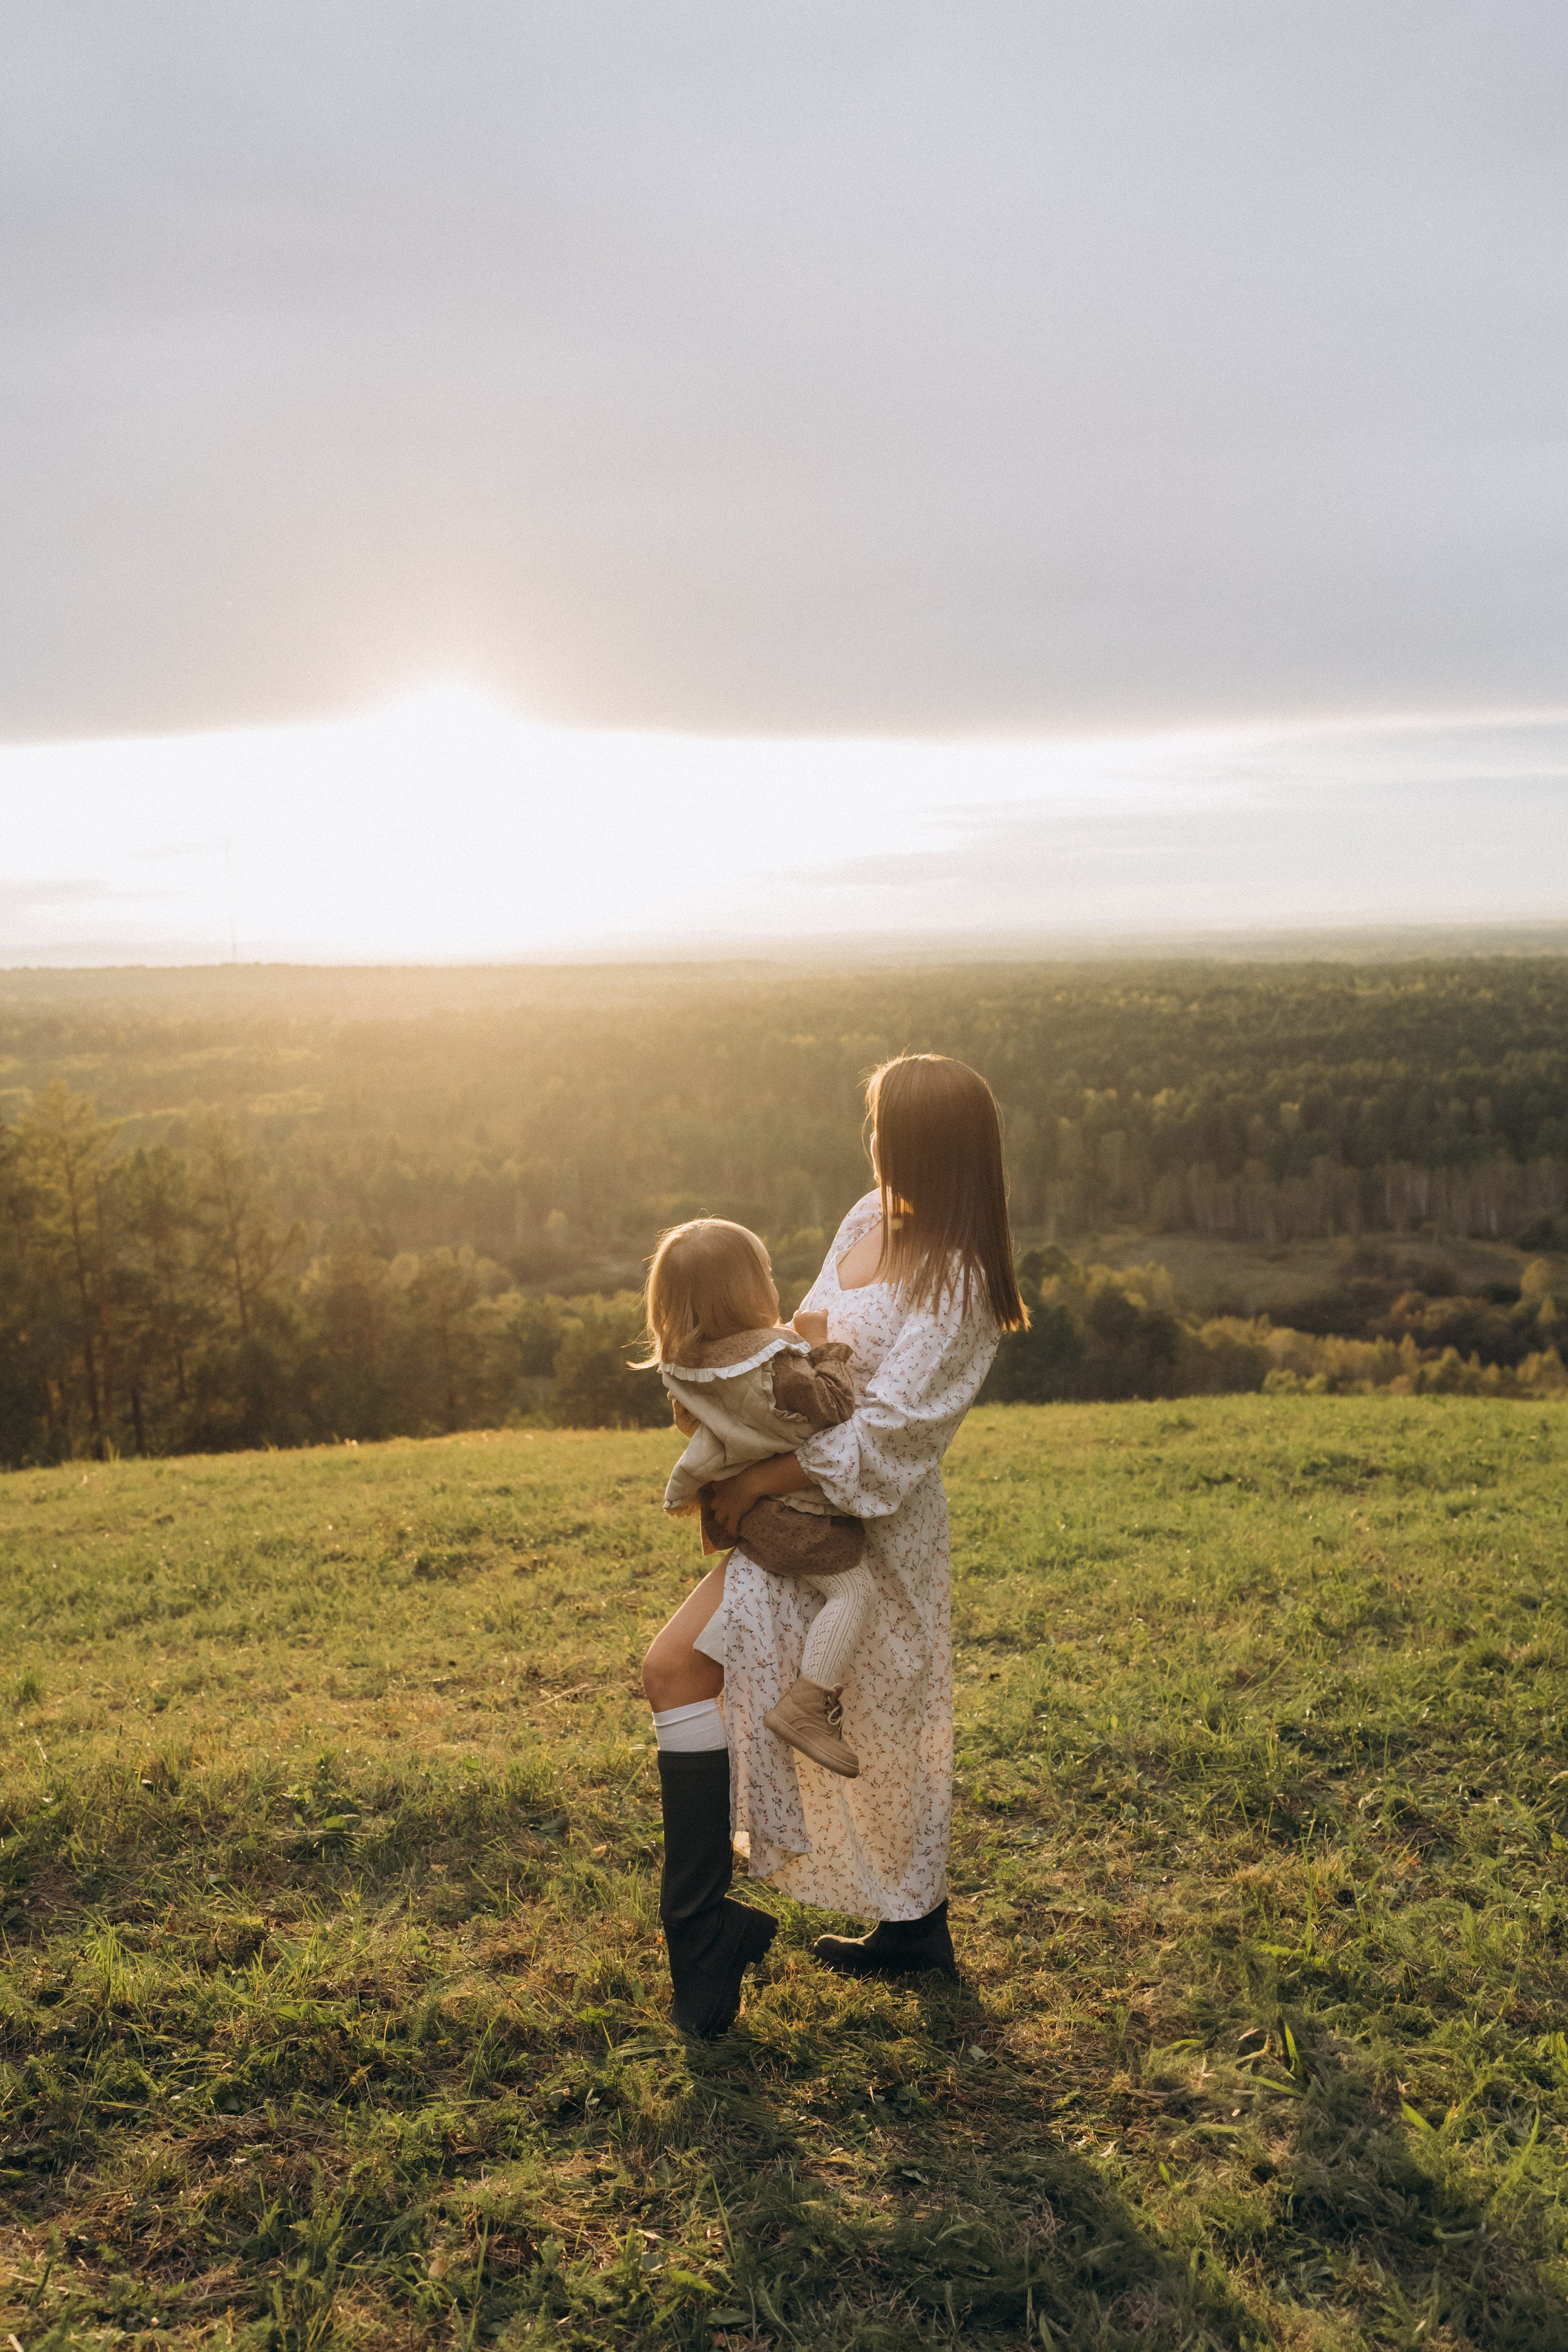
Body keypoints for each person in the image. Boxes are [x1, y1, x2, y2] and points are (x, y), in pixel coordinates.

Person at [641, 1053, 1027, 2038]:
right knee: (686, 1671)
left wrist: (750, 1481)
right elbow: (802, 1350)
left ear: (921, 1145)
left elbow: (893, 1436)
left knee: (874, 1724)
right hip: (793, 1518)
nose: (871, 1144)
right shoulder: (868, 1216)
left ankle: (870, 1929)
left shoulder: (963, 1279)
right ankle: (862, 1927)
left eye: (883, 1127)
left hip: (864, 1532)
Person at [645, 1214, 878, 1778]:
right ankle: (809, 1701)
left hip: (750, 1518)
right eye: (766, 1272)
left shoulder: (692, 1367)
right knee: (854, 1591)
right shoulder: (774, 1364)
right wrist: (824, 1347)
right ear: (749, 1290)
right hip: (794, 1513)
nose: (774, 1282)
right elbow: (835, 1405)